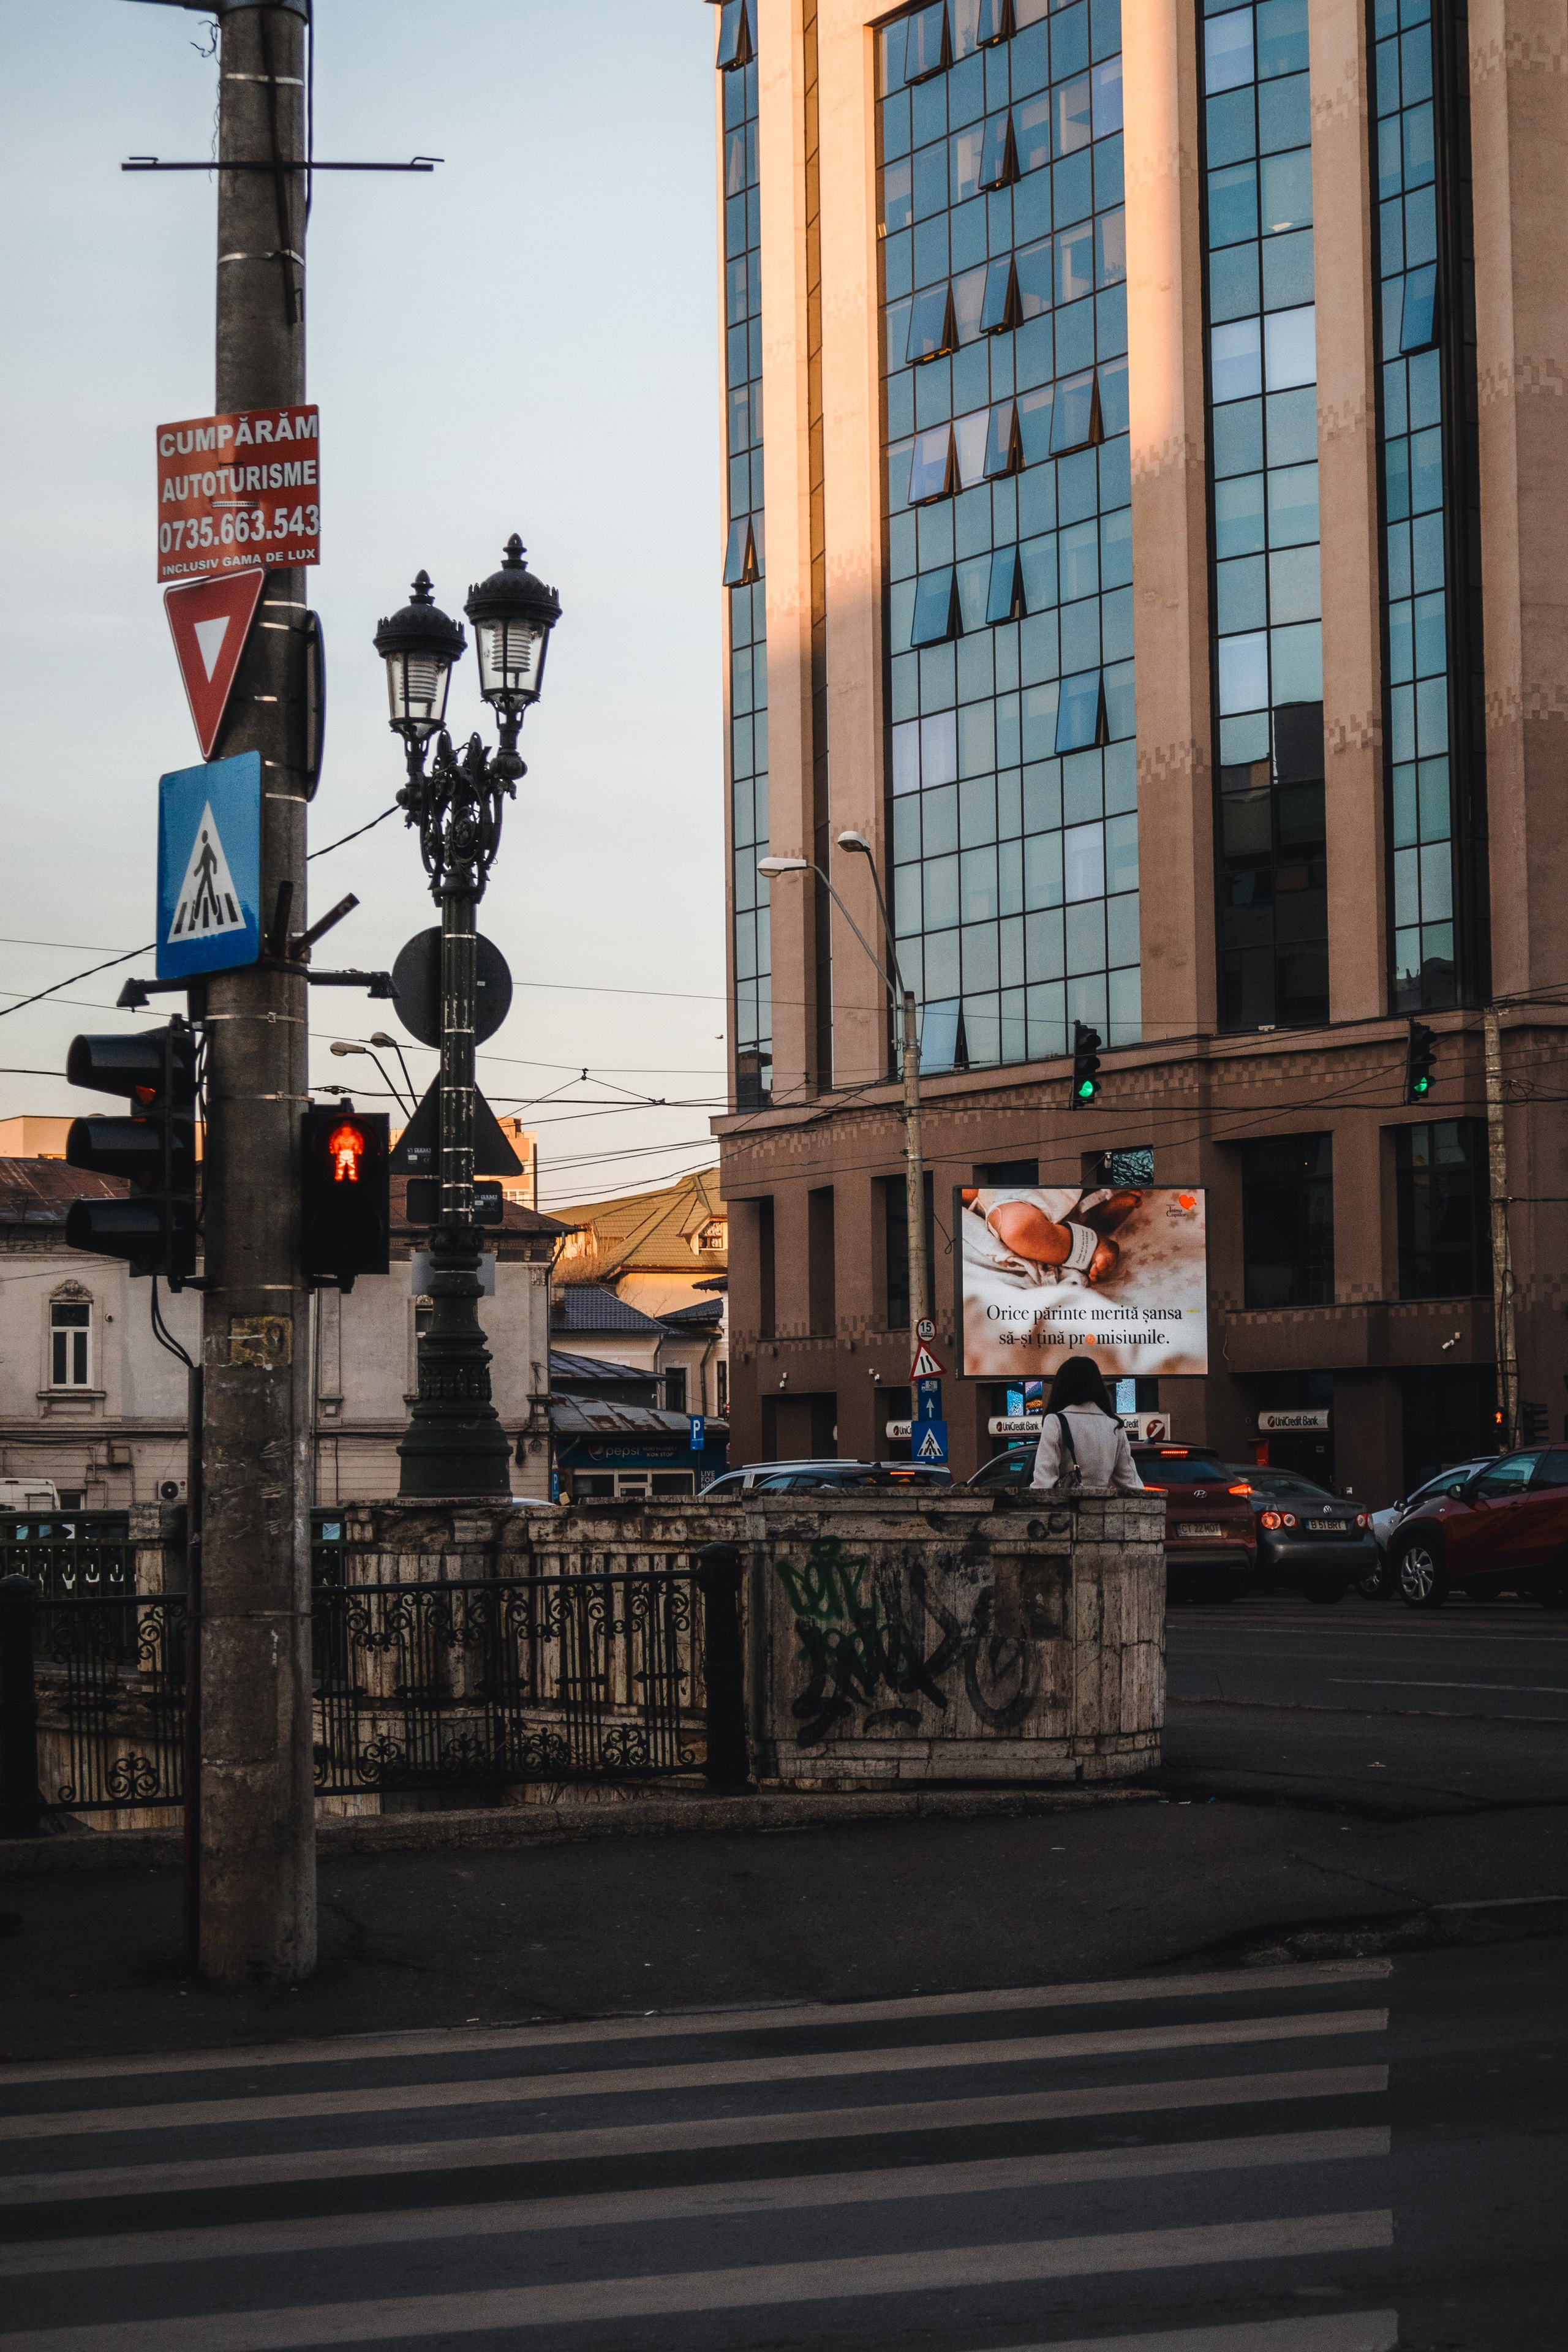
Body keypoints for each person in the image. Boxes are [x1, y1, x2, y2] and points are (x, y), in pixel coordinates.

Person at [1031, 1355, 1144, 1492]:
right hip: (1103, 1510)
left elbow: (1043, 1484)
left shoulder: (1055, 1422)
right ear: (1098, 1386)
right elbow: (1132, 1484)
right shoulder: (1115, 1426)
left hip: (1066, 1509)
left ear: (1062, 1386)